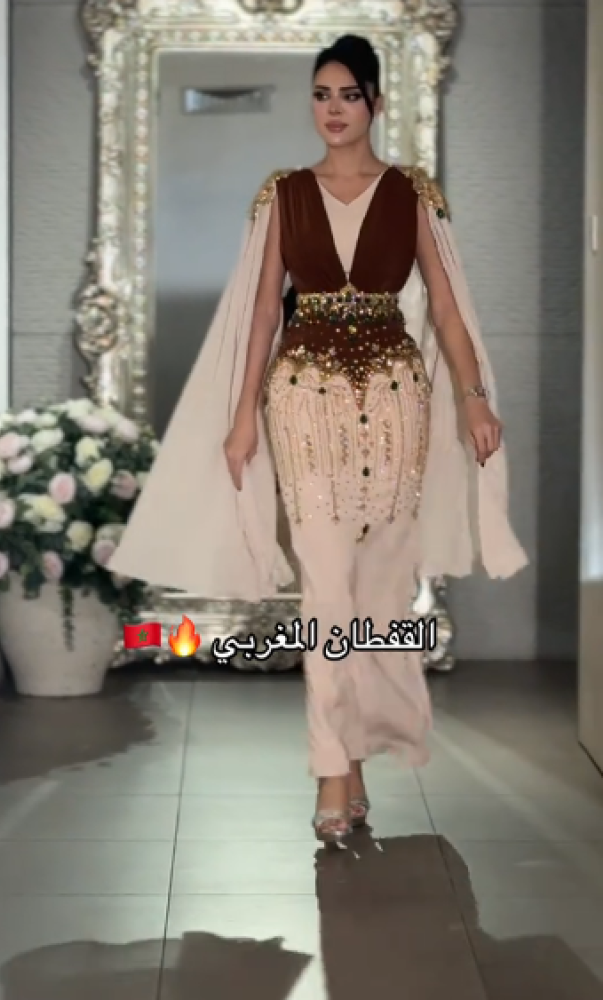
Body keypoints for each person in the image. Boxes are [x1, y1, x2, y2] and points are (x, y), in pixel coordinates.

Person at [109, 34, 528, 845]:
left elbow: (447, 311)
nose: (332, 109)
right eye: (320, 94)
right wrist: (241, 416)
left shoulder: (411, 194)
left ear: (375, 102)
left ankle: (357, 755)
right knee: (327, 589)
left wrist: (474, 399)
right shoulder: (285, 195)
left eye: (347, 95)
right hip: (305, 402)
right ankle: (333, 770)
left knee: (379, 592)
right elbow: (262, 311)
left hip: (398, 403)